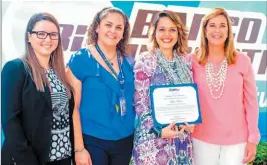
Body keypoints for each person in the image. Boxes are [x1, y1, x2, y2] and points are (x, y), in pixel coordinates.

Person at [1, 13, 74, 165]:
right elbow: (10, 121)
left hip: (62, 157)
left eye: (53, 35)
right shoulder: (16, 69)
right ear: (29, 36)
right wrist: (27, 160)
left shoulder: (59, 72)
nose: (48, 39)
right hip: (30, 159)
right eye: (41, 34)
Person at [66, 7, 135, 165]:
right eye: (108, 25)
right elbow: (73, 109)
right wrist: (79, 149)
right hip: (92, 141)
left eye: (119, 27)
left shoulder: (129, 61)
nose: (113, 31)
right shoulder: (81, 59)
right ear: (97, 27)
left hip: (125, 140)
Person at [191, 8, 261, 165]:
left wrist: (253, 139)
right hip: (201, 138)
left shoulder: (243, 60)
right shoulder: (192, 60)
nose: (217, 30)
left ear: (229, 30)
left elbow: (251, 103)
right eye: (212, 25)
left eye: (223, 25)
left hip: (237, 141)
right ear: (205, 29)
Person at [132, 10, 195, 165]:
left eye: (172, 29)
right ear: (154, 33)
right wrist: (159, 131)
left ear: (179, 33)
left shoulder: (186, 61)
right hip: (153, 141)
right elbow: (140, 103)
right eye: (162, 29)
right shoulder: (145, 61)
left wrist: (192, 120)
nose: (167, 34)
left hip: (181, 141)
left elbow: (190, 98)